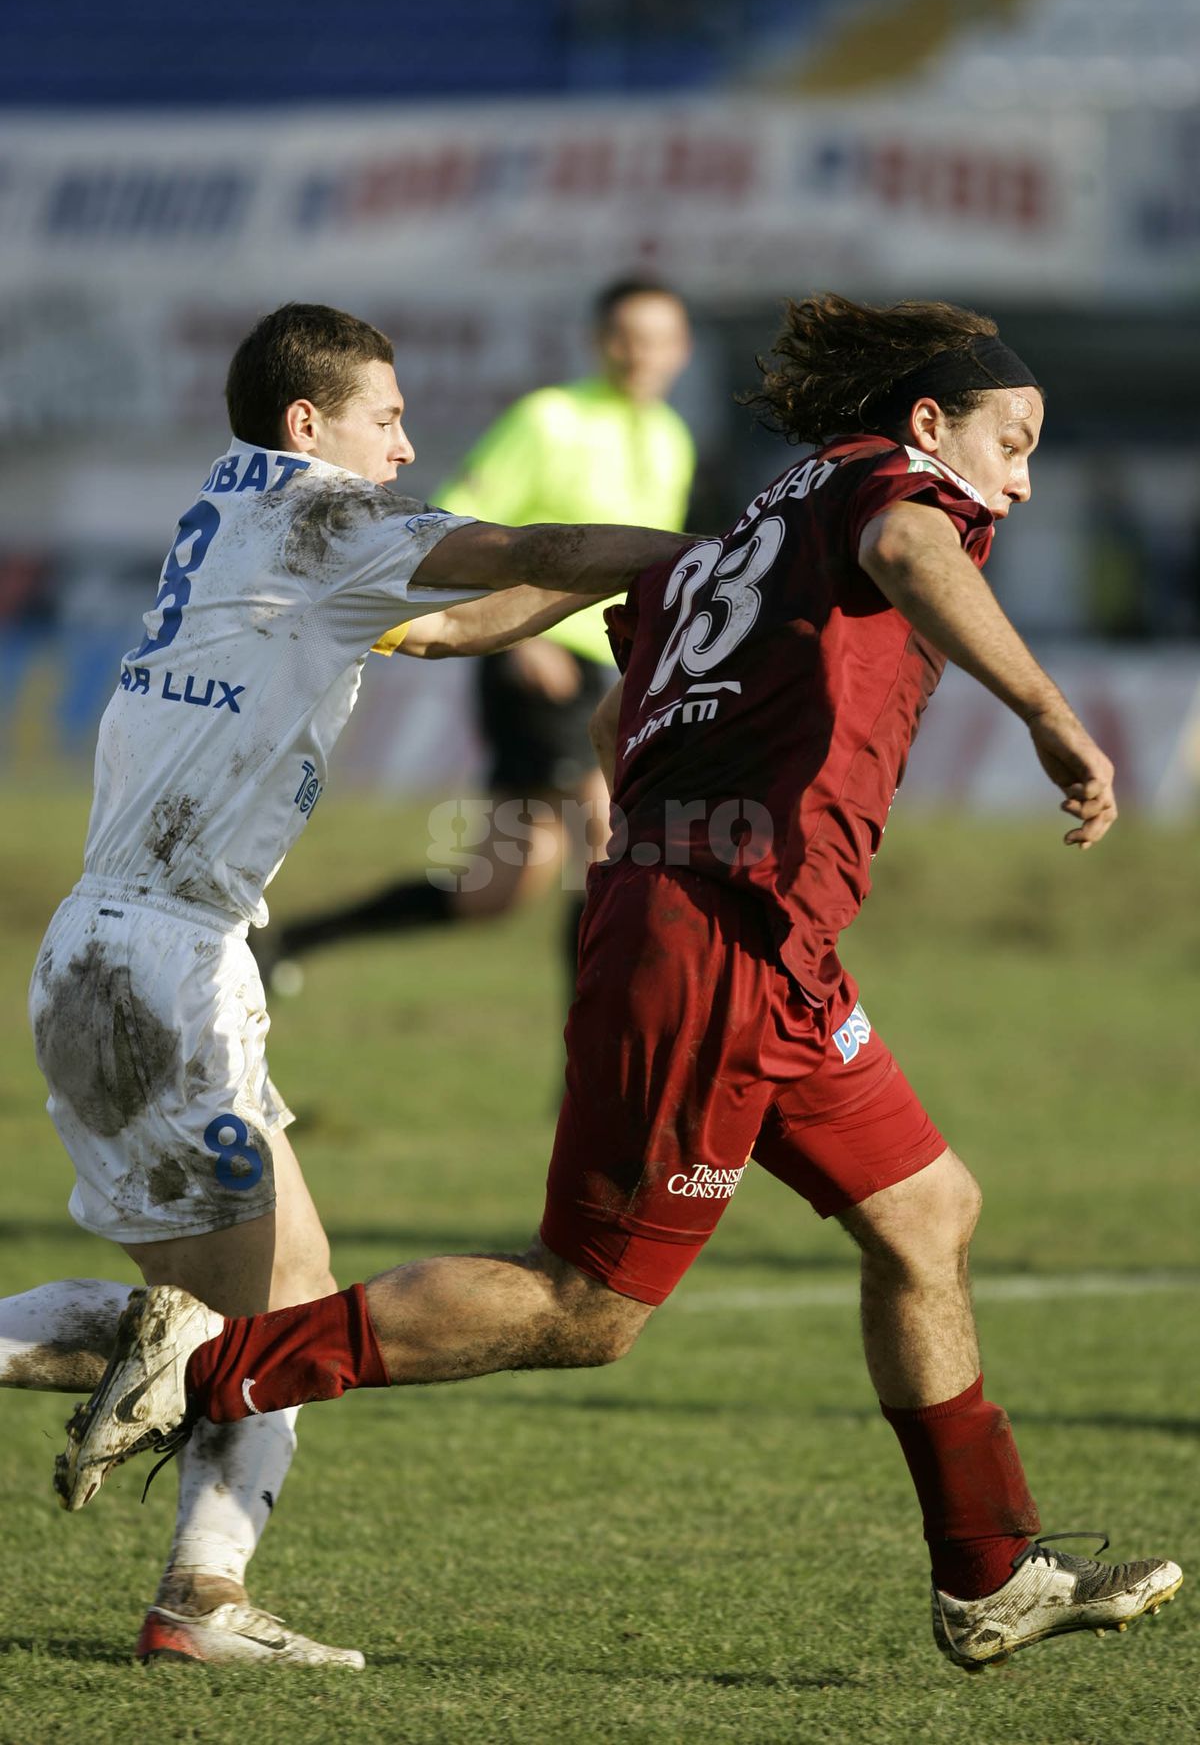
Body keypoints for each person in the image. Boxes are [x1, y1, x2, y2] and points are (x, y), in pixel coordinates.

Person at [55, 294, 1182, 1672]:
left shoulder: (768, 509)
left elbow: (617, 691)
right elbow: (903, 544)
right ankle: (211, 1369)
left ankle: (990, 1573)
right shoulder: (890, 493)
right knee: (587, 1307)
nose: (1020, 476)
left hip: (751, 935)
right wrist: (1056, 720)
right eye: (1014, 442)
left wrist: (640, 814)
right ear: (931, 423)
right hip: (721, 939)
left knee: (930, 1214)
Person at [3, 301, 691, 1668]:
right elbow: (530, 547)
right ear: (311, 425)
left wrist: (624, 588)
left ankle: (200, 1604)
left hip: (140, 951)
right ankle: (197, 1601)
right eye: (388, 416)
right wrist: (709, 559)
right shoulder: (320, 515)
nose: (408, 442)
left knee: (288, 1311)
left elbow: (450, 628)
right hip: (162, 973)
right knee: (254, 1328)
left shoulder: (253, 514)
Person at [257, 277, 694, 1004]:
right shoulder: (550, 419)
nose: (641, 354)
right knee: (610, 841)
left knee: (497, 888)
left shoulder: (672, 439)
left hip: (614, 668)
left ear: (680, 350)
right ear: (599, 341)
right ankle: (587, 1067)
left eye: (658, 340)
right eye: (626, 336)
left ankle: (285, 944)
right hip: (539, 666)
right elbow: (463, 523)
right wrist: (520, 641)